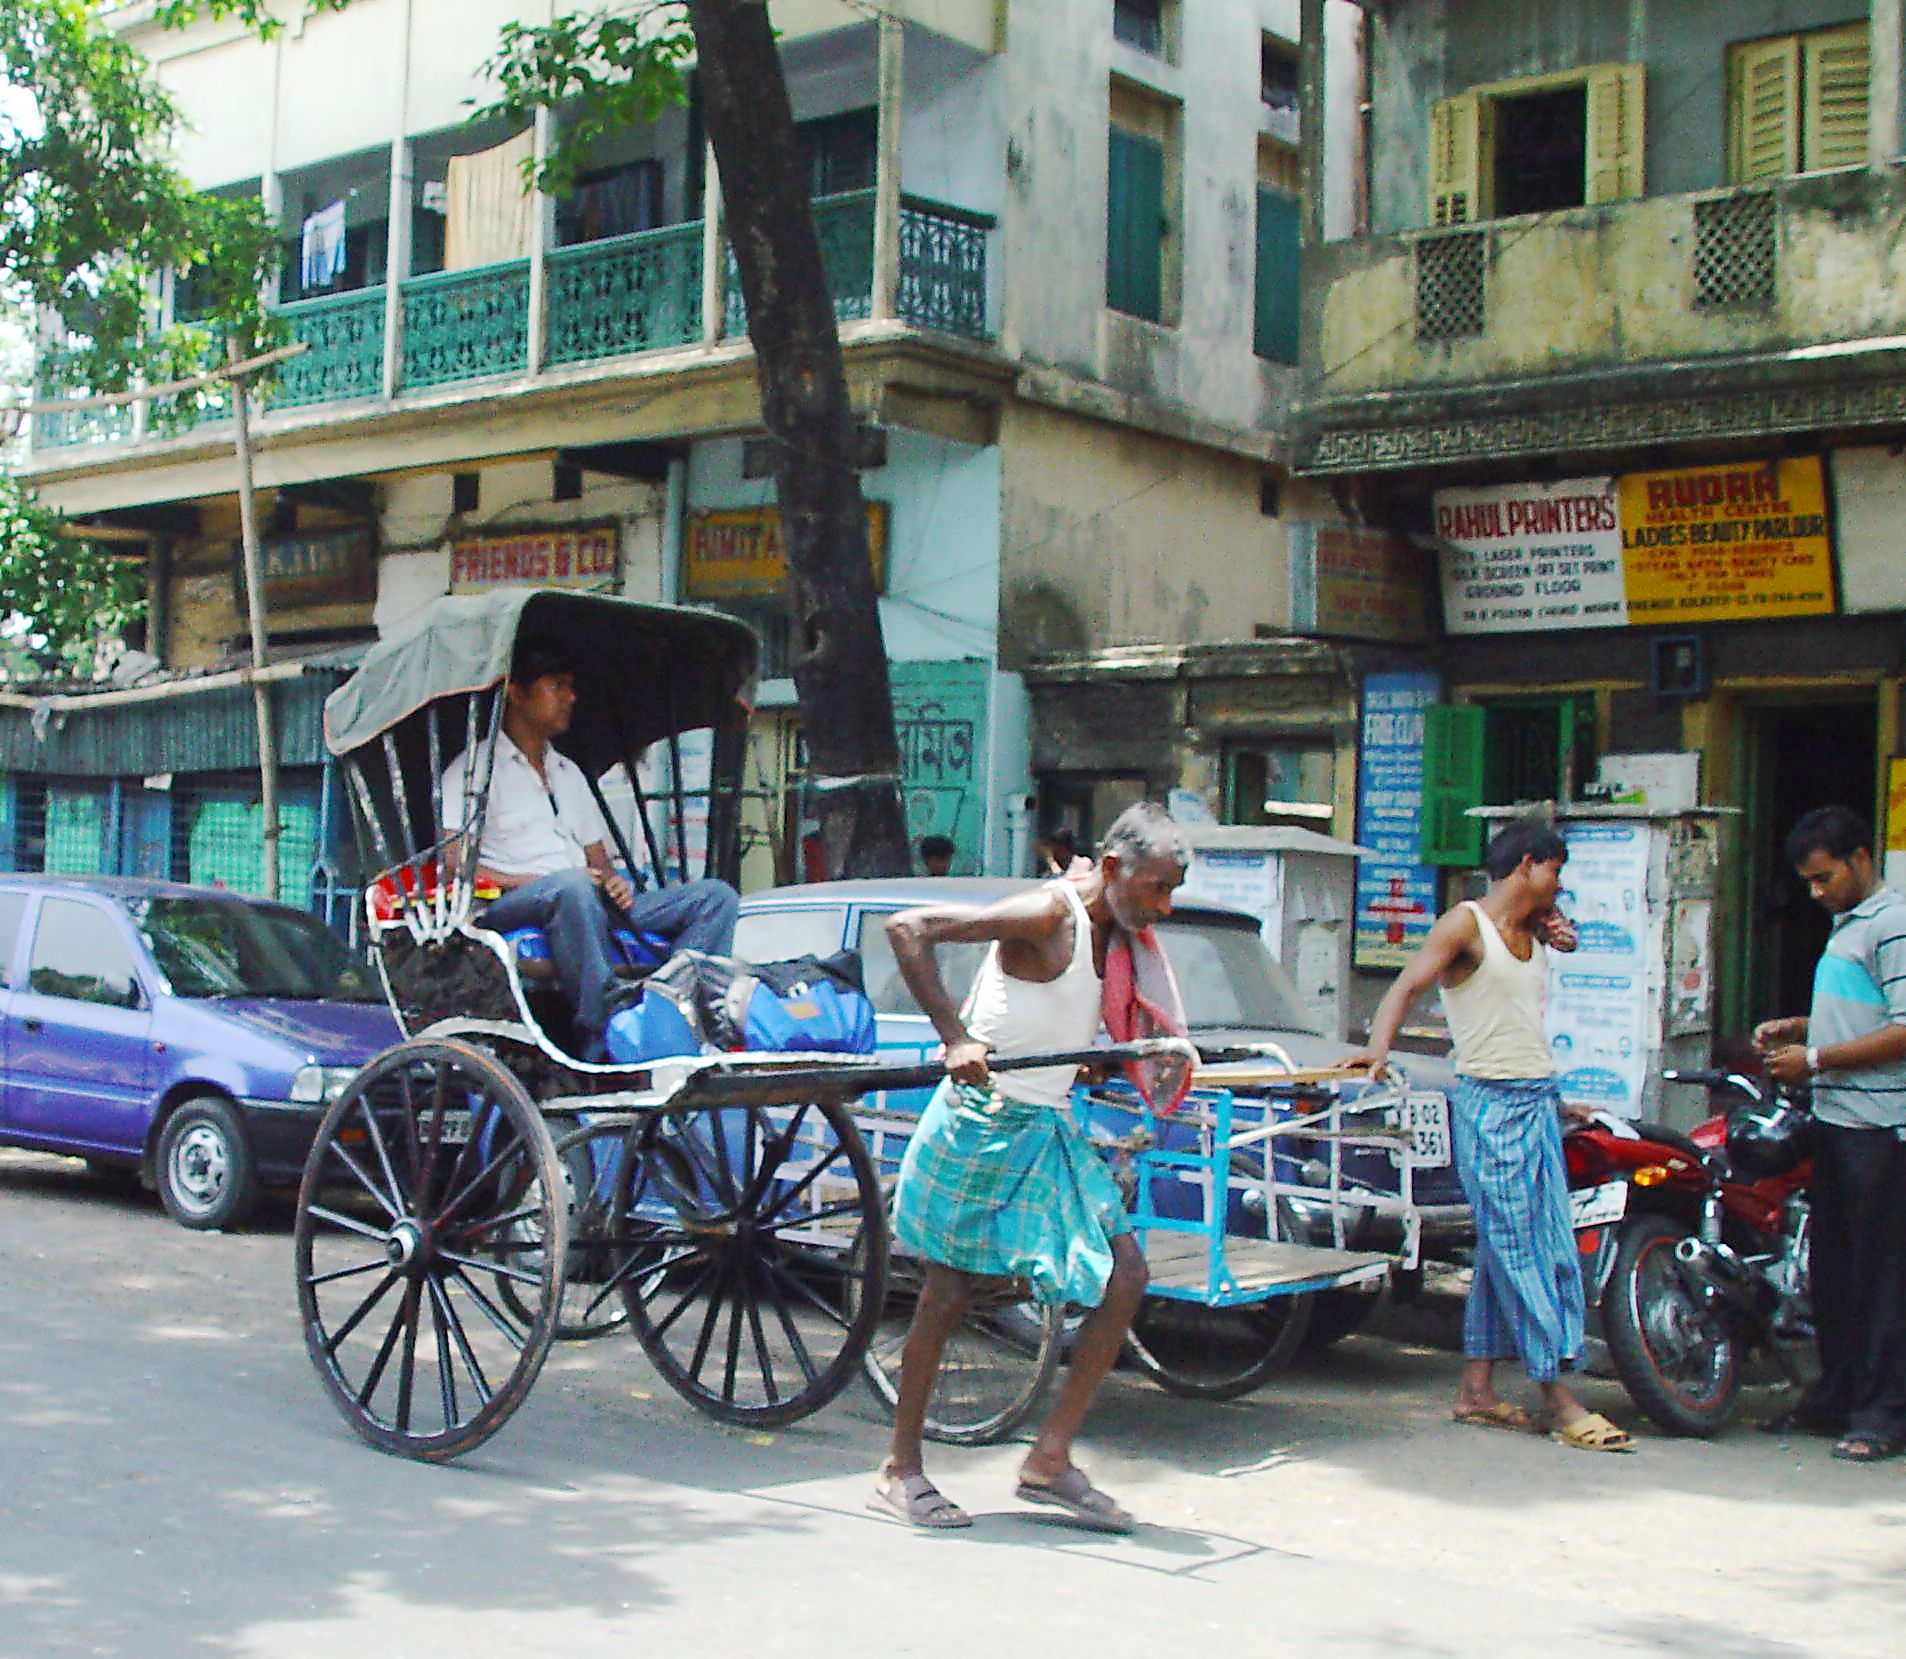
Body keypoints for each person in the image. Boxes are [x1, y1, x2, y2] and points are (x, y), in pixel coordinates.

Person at [869, 800, 1188, 1532]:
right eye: (1155, 889)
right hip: (981, 1120)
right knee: (947, 1293)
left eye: (1171, 892)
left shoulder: (1119, 935)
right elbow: (907, 929)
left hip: (1044, 1124)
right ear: (1113, 869)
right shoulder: (1051, 914)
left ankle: (1049, 1458)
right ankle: (899, 1467)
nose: (1162, 908)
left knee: (1127, 1273)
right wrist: (955, 1038)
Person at [1347, 814, 1633, 1452]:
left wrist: (1560, 1101)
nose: (1560, 885)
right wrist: (1376, 1053)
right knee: (1525, 1251)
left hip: (1536, 1102)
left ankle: (1476, 1389)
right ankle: (1557, 1396)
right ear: (1528, 864)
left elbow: (1521, 1011)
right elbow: (1406, 986)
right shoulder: (1465, 925)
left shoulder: (1528, 930)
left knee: (1525, 1248)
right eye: (1555, 871)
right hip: (1488, 1106)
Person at [440, 638, 739, 1061]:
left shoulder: (568, 773)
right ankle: (602, 1025)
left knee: (715, 897)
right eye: (557, 686)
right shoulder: (472, 772)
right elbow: (455, 866)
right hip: (508, 904)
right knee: (570, 886)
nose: (570, 697)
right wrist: (544, 882)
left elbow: (598, 861)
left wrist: (613, 883)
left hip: (583, 897)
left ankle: (672, 1011)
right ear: (518, 693)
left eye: (571, 687)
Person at [1753, 805, 1906, 1462]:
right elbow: (1859, 1014)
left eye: (1823, 878)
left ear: (1861, 858)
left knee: (1881, 1277)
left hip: (1880, 1128)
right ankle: (1836, 1393)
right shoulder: (1849, 925)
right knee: (1835, 1273)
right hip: (1838, 1125)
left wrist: (1813, 1059)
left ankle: (1883, 1410)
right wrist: (1800, 1026)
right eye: (1808, 882)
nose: (1815, 893)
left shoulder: (1894, 922)